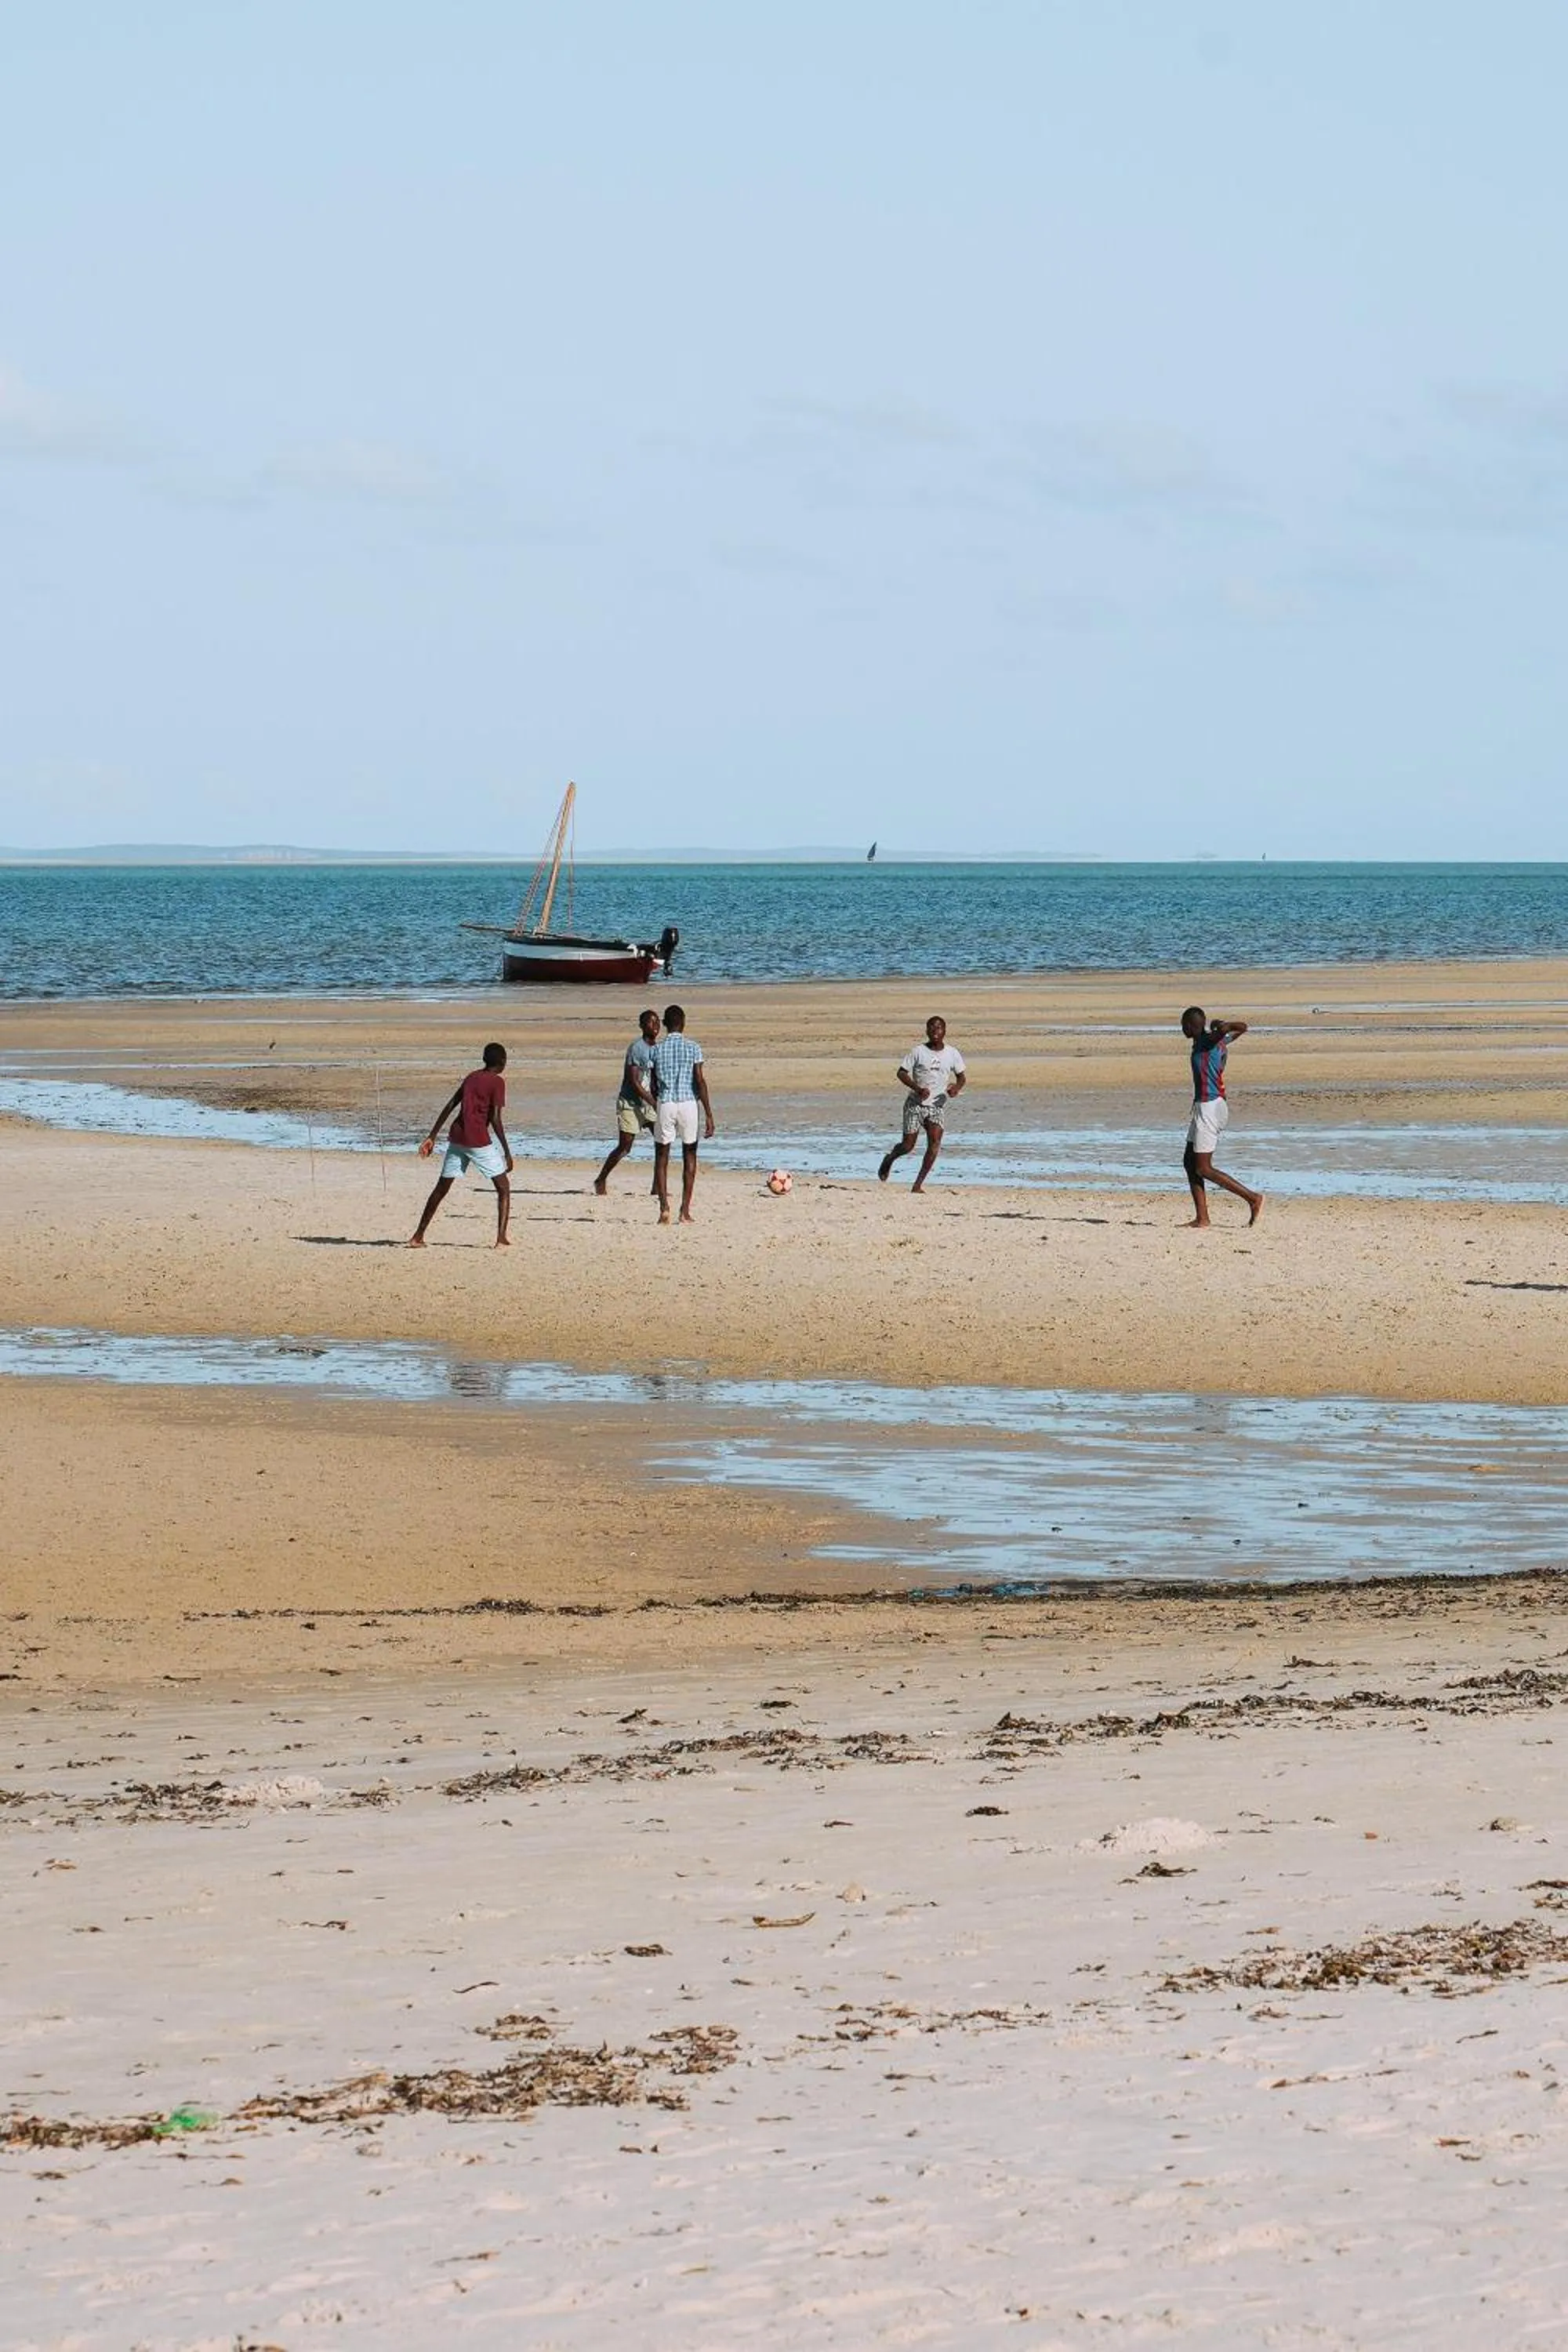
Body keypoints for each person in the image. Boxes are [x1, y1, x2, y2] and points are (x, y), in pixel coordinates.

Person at [409, 1042, 514, 1248]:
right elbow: (495, 1119)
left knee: (441, 1188)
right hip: (478, 1141)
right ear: (502, 1062)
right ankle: (501, 1238)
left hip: (457, 1138)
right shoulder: (497, 1082)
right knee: (503, 1187)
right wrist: (507, 1151)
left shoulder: (472, 1077)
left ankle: (418, 1236)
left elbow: (450, 1105)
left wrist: (432, 1135)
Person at [1180, 1006, 1263, 1229]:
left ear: (1191, 1026)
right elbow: (1240, 1031)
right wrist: (1222, 1030)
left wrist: (1223, 1025)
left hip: (1210, 1107)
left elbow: (1240, 1027)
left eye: (1183, 1025)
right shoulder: (1212, 1041)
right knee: (1190, 1162)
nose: (1181, 1029)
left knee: (1204, 1168)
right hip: (1203, 1106)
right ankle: (1202, 1218)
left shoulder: (1209, 1041)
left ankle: (1252, 1198)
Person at [878, 1014, 967, 1192]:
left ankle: (918, 1185)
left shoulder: (952, 1053)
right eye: (932, 1027)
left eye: (939, 1027)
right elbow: (901, 1073)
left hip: (936, 1106)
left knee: (934, 1143)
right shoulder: (918, 1051)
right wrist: (917, 1088)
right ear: (927, 1031)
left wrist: (955, 1088)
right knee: (908, 1146)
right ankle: (890, 1158)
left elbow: (961, 1077)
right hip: (915, 1104)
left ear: (945, 1031)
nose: (936, 1031)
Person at [650, 1003, 714, 1225]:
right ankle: (684, 1210)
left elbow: (653, 1084)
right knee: (690, 1155)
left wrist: (657, 1100)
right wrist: (708, 1113)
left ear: (665, 1024)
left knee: (662, 1156)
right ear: (684, 1023)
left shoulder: (656, 1050)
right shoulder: (693, 1048)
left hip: (666, 1103)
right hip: (688, 1103)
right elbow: (700, 1080)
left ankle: (663, 1207)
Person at [594, 1008, 660, 1194]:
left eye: (657, 1022)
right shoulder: (637, 1049)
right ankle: (601, 1179)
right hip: (631, 1104)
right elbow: (634, 1082)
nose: (655, 1025)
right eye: (650, 1022)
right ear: (642, 1026)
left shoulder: (657, 1049)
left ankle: (657, 1186)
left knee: (661, 1143)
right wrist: (653, 1101)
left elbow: (654, 1077)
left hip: (649, 1104)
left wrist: (658, 1098)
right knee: (625, 1147)